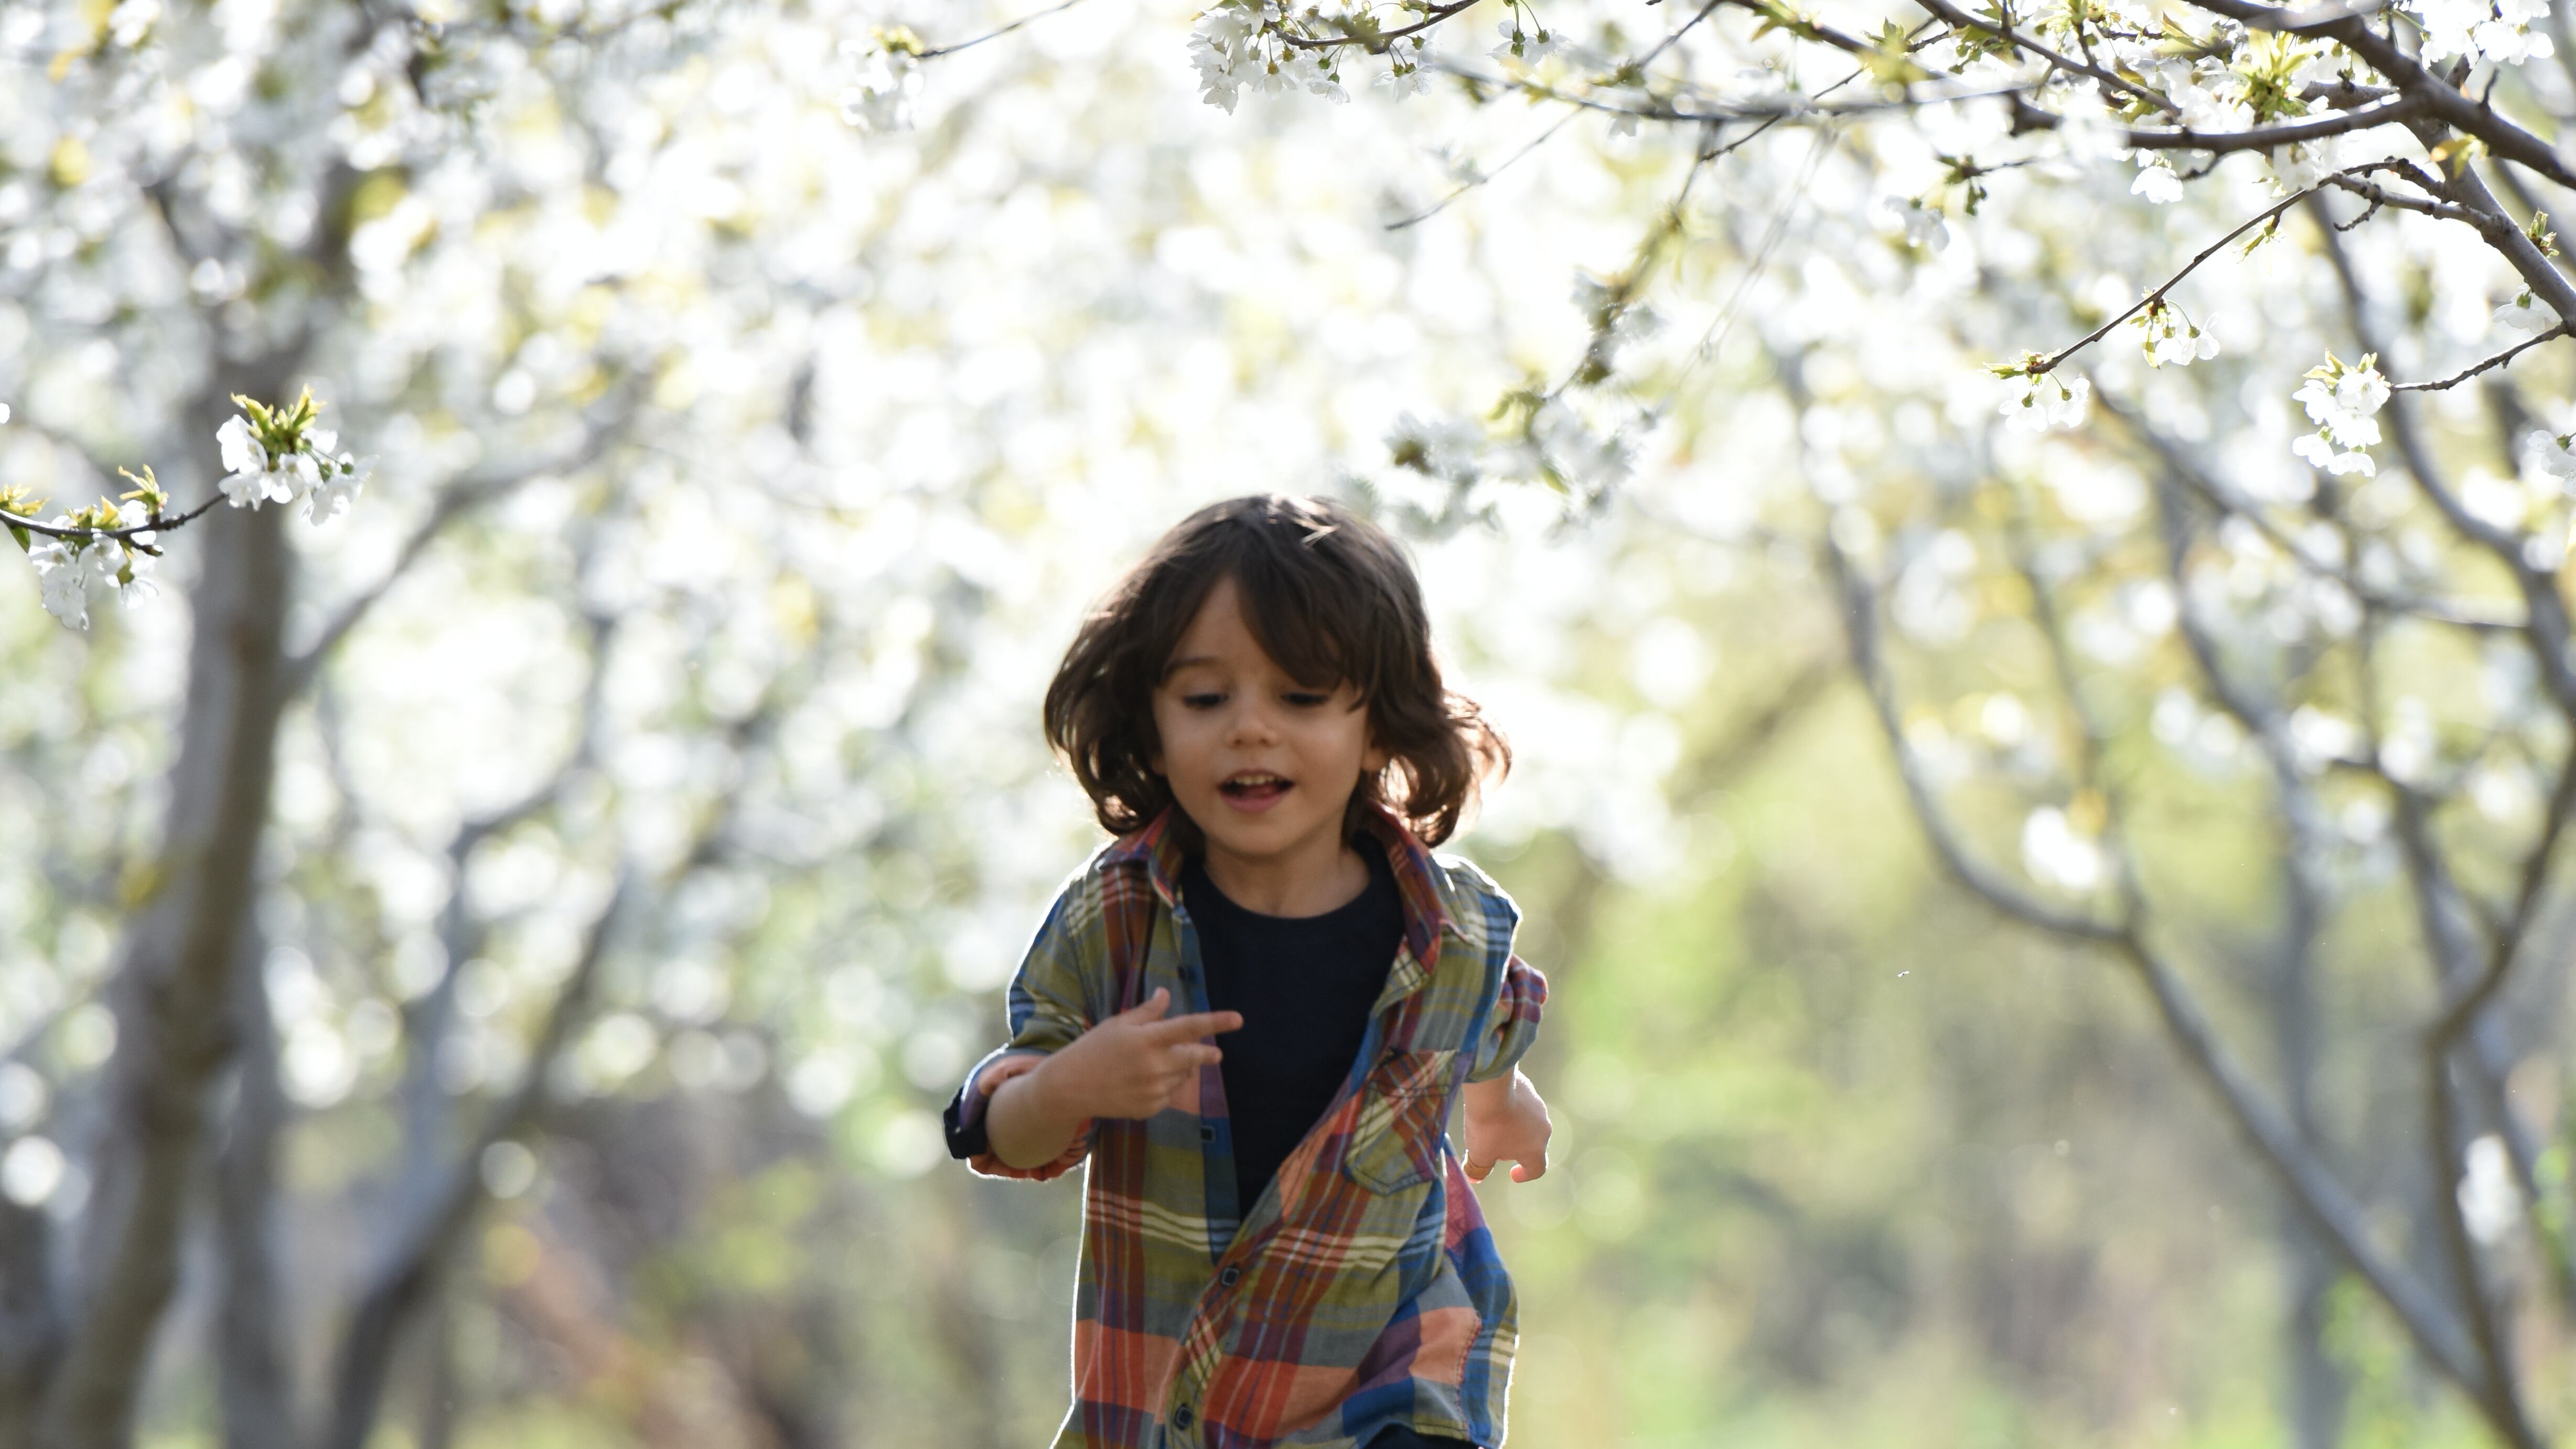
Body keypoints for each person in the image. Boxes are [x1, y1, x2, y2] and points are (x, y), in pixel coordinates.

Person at [943, 494, 1554, 1449]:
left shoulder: (1455, 930)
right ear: (1148, 725)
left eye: (1301, 698)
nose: (1251, 730)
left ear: (1379, 727)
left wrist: (1503, 1100)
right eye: (1205, 699)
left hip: (1397, 1377)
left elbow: (1491, 1026)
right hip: (1174, 1396)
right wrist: (1072, 1084)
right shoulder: (1116, 923)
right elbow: (999, 1129)